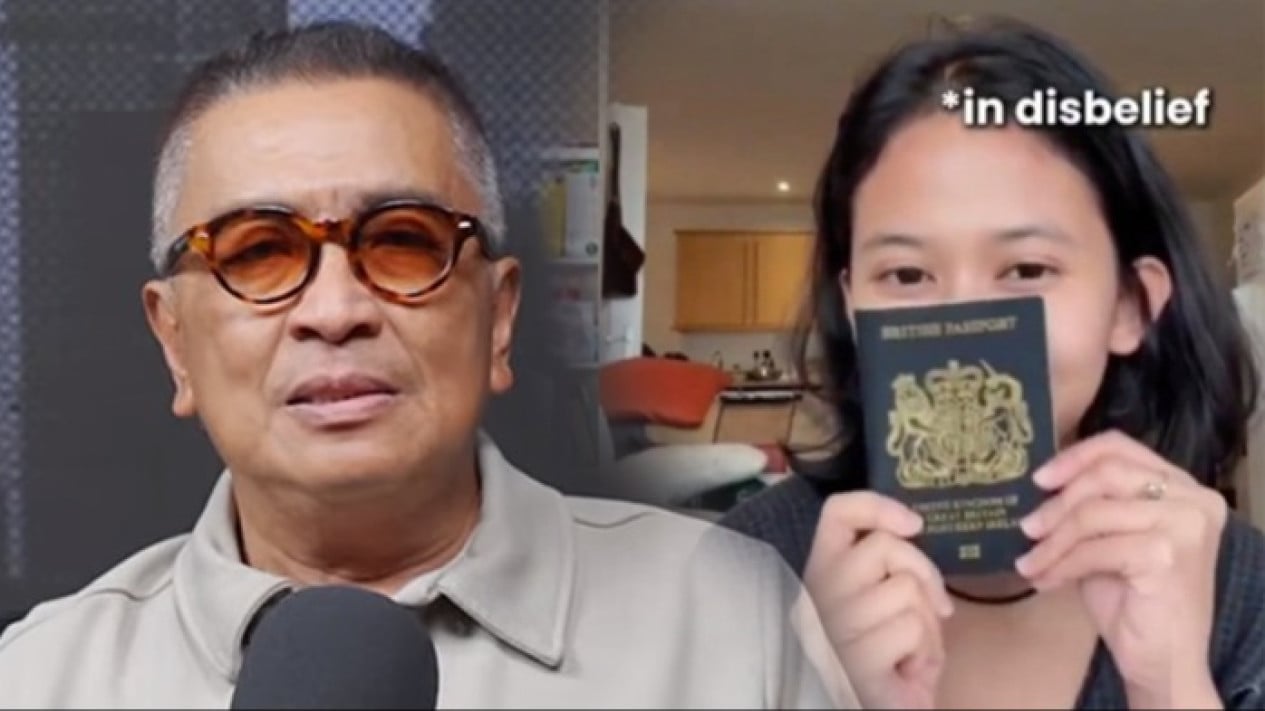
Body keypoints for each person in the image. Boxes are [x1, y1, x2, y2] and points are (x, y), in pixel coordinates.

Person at [0, 22, 854, 709]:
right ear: (175, 341)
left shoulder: (731, 619)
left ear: (499, 316)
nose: (335, 309)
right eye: (257, 251)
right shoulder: (40, 679)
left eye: (403, 241)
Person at [721, 17, 1265, 710]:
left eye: (1027, 269)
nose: (963, 331)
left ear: (1129, 305)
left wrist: (1172, 688)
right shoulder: (738, 572)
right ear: (852, 306)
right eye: (907, 275)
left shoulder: (1240, 595)